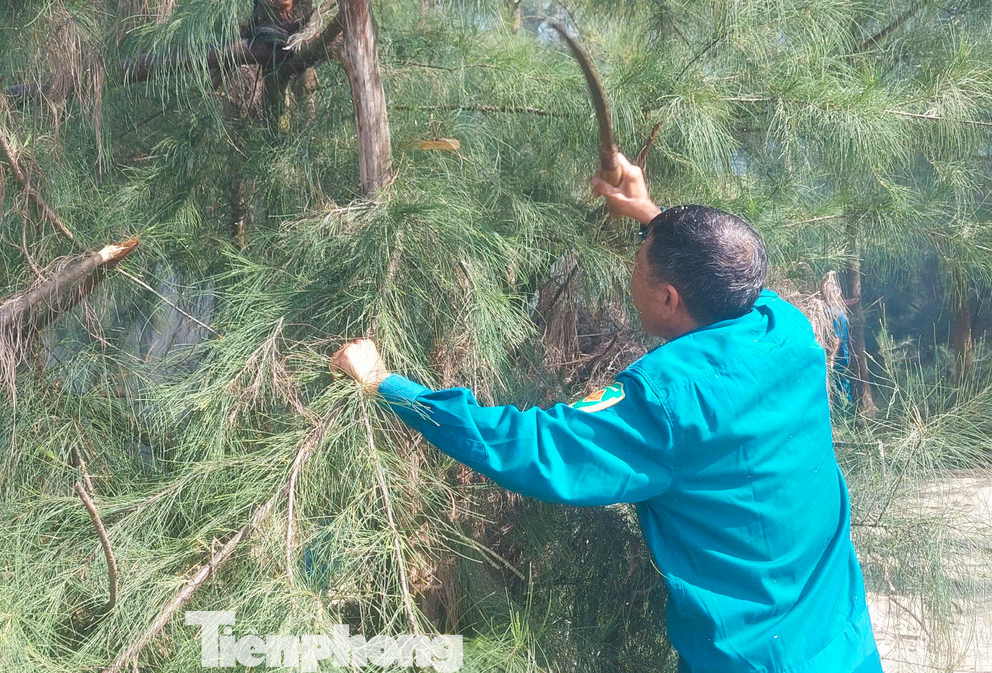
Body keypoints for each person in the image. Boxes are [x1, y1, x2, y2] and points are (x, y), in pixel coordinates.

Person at [330, 152, 883, 673]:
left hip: (752, 660)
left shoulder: (668, 399)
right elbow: (724, 271)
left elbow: (532, 448)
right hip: (843, 642)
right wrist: (649, 213)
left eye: (638, 262)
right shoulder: (785, 329)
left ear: (668, 298)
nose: (630, 269)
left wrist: (387, 385)